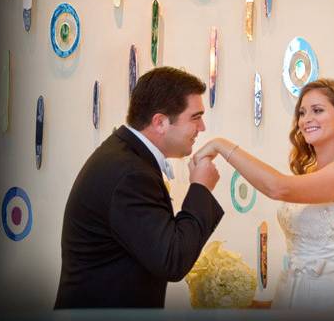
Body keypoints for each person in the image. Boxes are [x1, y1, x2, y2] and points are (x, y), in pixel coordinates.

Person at [193, 78, 334, 310]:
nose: (306, 119)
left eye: (317, 110)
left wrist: (221, 145)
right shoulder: (307, 174)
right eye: (302, 112)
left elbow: (278, 188)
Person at [55, 67, 224, 308]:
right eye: (195, 117)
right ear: (160, 122)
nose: (202, 127)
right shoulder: (130, 175)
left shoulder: (126, 157)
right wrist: (200, 188)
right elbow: (172, 259)